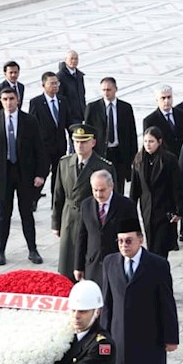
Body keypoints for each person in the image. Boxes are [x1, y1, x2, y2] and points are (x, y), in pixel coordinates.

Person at [102, 219, 179, 364]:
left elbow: (167, 303)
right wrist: (103, 335)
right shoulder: (110, 263)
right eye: (120, 241)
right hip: (120, 337)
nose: (124, 245)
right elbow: (107, 302)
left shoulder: (157, 265)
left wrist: (171, 337)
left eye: (129, 241)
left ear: (140, 240)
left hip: (150, 335)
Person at [0, 88, 47, 266]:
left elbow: (39, 149)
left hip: (24, 173)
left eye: (11, 99)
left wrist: (40, 174)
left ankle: (33, 250)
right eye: (4, 99)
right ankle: (0, 251)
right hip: (3, 174)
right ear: (1, 101)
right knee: (4, 214)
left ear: (17, 100)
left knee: (27, 213)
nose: (8, 102)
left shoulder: (29, 120)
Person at [54, 123, 114, 276]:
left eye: (84, 141)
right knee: (68, 263)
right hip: (70, 218)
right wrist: (56, 222)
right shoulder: (65, 163)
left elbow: (113, 200)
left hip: (91, 218)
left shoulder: (103, 167)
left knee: (90, 261)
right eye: (77, 141)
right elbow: (58, 194)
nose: (80, 145)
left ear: (93, 143)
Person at [76, 170, 135, 289]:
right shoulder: (86, 205)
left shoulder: (125, 205)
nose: (98, 194)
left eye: (102, 190)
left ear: (111, 186)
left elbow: (133, 236)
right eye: (95, 190)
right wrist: (78, 266)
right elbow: (82, 236)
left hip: (117, 262)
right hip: (93, 264)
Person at [130, 127, 183, 259]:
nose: (148, 144)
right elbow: (135, 188)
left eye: (151, 141)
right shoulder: (139, 160)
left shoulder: (169, 160)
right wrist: (130, 209)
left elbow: (177, 186)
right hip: (147, 210)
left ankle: (160, 274)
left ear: (159, 142)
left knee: (160, 248)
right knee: (151, 246)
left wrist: (179, 210)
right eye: (146, 141)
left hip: (165, 211)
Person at [84, 77, 136, 189]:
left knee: (118, 185)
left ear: (115, 89)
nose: (106, 92)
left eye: (109, 89)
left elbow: (132, 133)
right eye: (103, 90)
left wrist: (133, 156)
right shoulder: (93, 108)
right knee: (101, 183)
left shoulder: (125, 108)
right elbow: (87, 133)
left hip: (120, 154)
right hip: (101, 153)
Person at [27, 71, 70, 195]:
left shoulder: (63, 100)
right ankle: (33, 198)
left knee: (58, 176)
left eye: (56, 83)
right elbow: (31, 125)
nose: (55, 86)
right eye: (51, 83)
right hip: (43, 146)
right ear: (43, 85)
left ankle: (55, 200)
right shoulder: (36, 102)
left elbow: (68, 121)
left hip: (60, 145)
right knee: (42, 173)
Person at [141, 84, 183, 154]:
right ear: (157, 100)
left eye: (169, 97)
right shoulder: (150, 121)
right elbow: (149, 145)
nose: (166, 101)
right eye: (163, 98)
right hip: (164, 160)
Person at [57, 50, 86, 132]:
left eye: (76, 59)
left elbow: (82, 94)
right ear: (66, 60)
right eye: (71, 58)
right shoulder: (60, 76)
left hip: (79, 113)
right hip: (69, 114)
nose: (74, 61)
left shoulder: (79, 75)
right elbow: (60, 96)